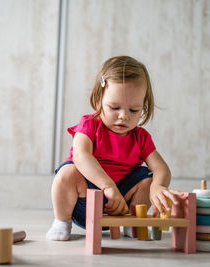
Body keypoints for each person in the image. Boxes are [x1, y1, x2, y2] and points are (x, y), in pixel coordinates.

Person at [46, 55, 180, 241]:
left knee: (148, 180)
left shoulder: (140, 137)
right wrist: (108, 187)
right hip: (86, 199)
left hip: (122, 204)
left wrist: (158, 186)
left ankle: (131, 222)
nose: (124, 116)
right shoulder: (90, 125)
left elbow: (161, 168)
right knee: (67, 173)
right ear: (98, 100)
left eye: (134, 110)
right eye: (114, 107)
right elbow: (81, 155)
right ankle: (62, 221)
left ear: (144, 107)